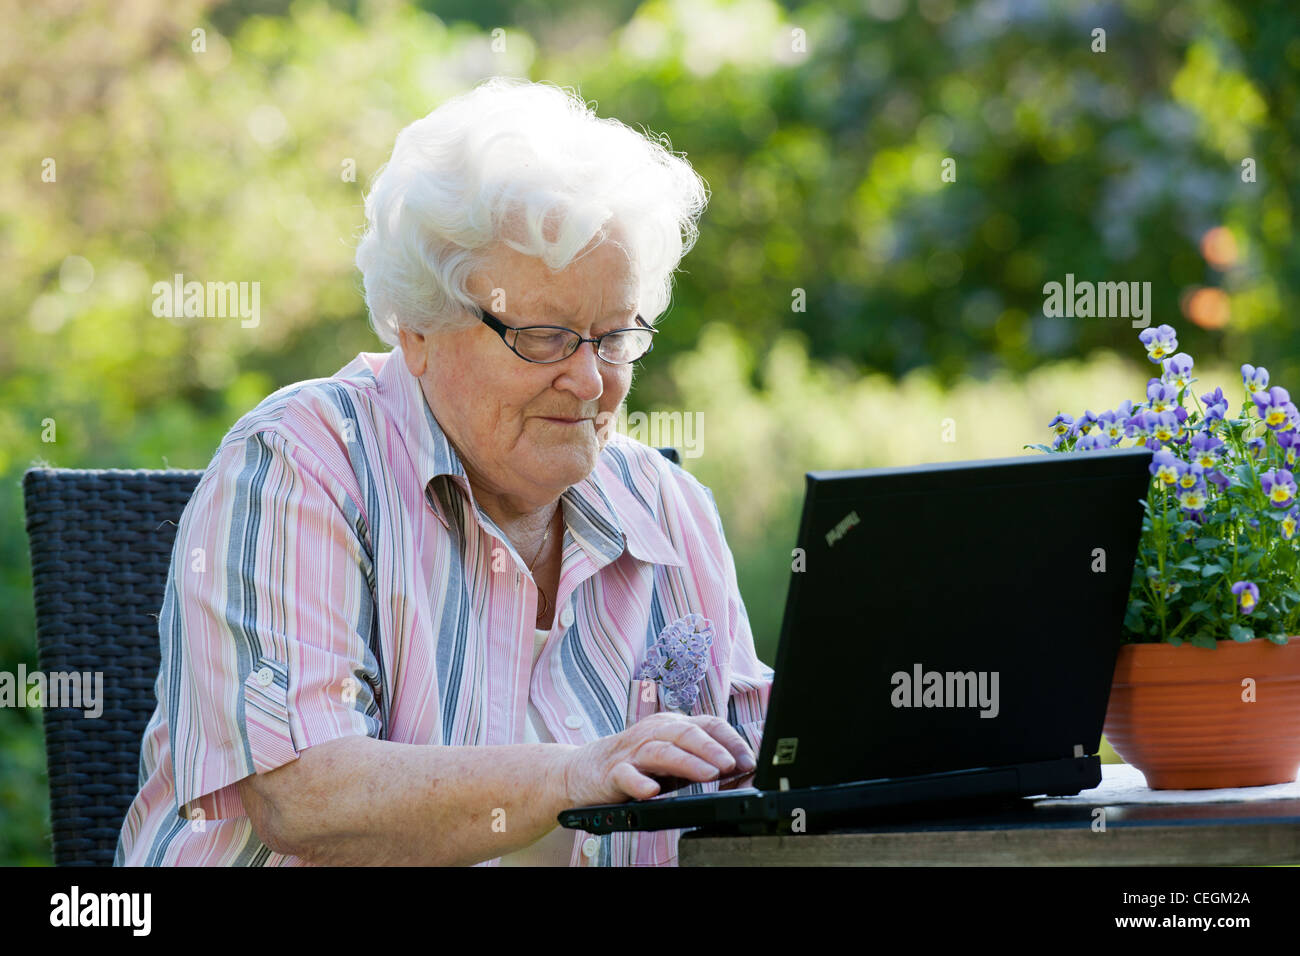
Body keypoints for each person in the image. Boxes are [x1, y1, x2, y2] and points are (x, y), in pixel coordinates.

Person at [114, 76, 773, 866]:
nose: (591, 381)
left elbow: (767, 785)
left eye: (614, 335)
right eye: (544, 337)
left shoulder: (670, 509)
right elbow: (305, 795)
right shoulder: (299, 464)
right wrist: (578, 773)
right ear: (418, 329)